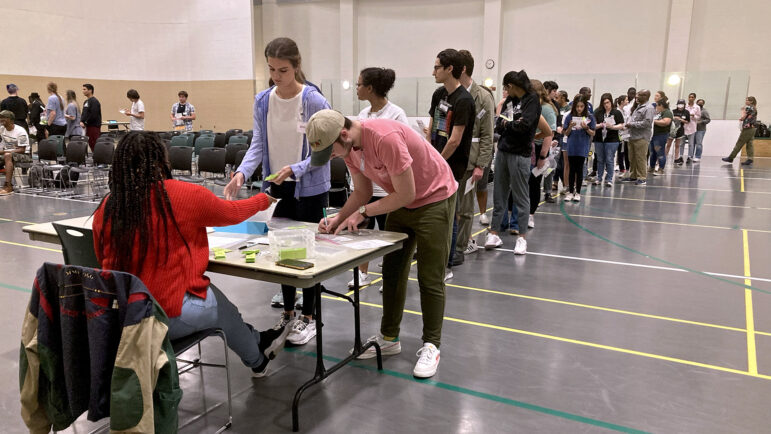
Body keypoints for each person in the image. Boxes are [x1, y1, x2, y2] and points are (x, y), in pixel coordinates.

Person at [92, 132, 289, 377]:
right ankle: (258, 358)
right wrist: (262, 200)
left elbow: (100, 259)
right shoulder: (182, 194)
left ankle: (258, 343)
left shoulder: (108, 206)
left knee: (216, 303)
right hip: (164, 313)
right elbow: (232, 212)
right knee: (220, 307)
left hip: (119, 315)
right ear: (161, 161)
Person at [307, 110, 457, 379]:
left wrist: (363, 212)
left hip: (434, 198)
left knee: (430, 275)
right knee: (392, 270)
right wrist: (337, 218)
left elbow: (407, 193)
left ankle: (431, 344)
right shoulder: (350, 147)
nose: (331, 157)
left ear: (344, 134)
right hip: (401, 200)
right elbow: (362, 192)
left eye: (331, 152)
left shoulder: (384, 138)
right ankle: (390, 337)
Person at [223, 37, 330, 346]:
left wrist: (295, 169)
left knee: (308, 252)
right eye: (271, 69)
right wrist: (242, 173)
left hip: (309, 188)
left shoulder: (314, 101)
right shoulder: (263, 100)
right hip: (277, 185)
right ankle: (288, 311)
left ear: (296, 67)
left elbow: (324, 152)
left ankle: (308, 318)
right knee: (283, 249)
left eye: (283, 70)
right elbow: (258, 142)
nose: (276, 76)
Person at [350, 66, 409, 287]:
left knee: (388, 235)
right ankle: (362, 273)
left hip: (388, 189)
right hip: (367, 186)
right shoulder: (362, 116)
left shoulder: (396, 114)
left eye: (358, 84)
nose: (356, 88)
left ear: (370, 88)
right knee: (361, 232)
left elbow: (401, 153)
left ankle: (389, 277)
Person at [426, 48, 474, 276]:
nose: (433, 71)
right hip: (434, 160)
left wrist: (437, 161)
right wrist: (428, 152)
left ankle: (447, 262)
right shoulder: (439, 95)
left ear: (449, 69)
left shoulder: (464, 100)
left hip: (451, 165)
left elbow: (455, 140)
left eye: (437, 67)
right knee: (431, 210)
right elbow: (432, 125)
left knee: (449, 212)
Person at [484, 70, 541, 255]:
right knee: (499, 194)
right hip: (503, 151)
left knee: (521, 197)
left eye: (506, 87)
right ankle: (494, 232)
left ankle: (522, 238)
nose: (505, 91)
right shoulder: (510, 101)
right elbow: (500, 122)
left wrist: (509, 124)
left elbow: (525, 126)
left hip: (520, 154)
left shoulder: (531, 100)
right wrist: (510, 124)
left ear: (512, 86)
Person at [456, 50, 494, 256]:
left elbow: (487, 134)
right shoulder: (449, 94)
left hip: (471, 161)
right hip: (451, 160)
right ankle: (452, 243)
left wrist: (481, 164)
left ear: (462, 69)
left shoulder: (483, 97)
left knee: (465, 209)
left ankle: (461, 246)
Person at [527, 79, 556, 228]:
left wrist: (542, 157)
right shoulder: (531, 106)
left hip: (539, 150)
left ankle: (531, 214)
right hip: (528, 148)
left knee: (534, 183)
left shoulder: (546, 109)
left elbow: (548, 134)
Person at [562, 95, 596, 201]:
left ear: (585, 106)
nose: (579, 109)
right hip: (572, 146)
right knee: (572, 169)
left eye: (581, 106)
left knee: (579, 169)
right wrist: (570, 127)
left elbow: (593, 133)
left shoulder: (590, 117)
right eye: (577, 106)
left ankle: (578, 192)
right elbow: (566, 133)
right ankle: (570, 191)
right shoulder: (569, 116)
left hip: (583, 146)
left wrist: (586, 128)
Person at [623, 89, 655, 185]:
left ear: (645, 96)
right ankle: (633, 176)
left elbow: (647, 123)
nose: (636, 97)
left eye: (639, 95)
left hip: (641, 137)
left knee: (640, 158)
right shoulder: (639, 107)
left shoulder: (649, 108)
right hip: (633, 136)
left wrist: (632, 124)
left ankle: (642, 177)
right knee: (632, 158)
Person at [592, 93, 624, 186]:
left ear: (611, 102)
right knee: (600, 159)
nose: (606, 104)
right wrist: (601, 125)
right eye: (604, 103)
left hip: (612, 139)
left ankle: (609, 179)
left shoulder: (616, 112)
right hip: (599, 138)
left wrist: (612, 127)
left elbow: (621, 125)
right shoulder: (597, 112)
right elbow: (593, 125)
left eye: (608, 102)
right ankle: (599, 178)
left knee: (609, 159)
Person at [0, 110, 31, 195]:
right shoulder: (2, 129)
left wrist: (4, 151)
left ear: (10, 120)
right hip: (8, 153)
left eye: (3, 118)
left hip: (24, 155)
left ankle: (8, 186)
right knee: (7, 155)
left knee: (7, 155)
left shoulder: (20, 131)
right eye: (0, 118)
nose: (1, 119)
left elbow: (22, 150)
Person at [723, 97, 758, 166]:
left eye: (747, 100)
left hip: (748, 128)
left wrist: (743, 111)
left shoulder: (749, 108)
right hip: (753, 128)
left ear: (751, 101)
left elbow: (744, 117)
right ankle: (750, 159)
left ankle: (731, 157)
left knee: (740, 142)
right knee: (749, 143)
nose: (746, 101)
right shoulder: (754, 108)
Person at [649, 98, 673, 176]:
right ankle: (651, 167)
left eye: (657, 106)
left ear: (661, 105)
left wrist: (653, 121)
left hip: (661, 135)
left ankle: (661, 169)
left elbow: (666, 122)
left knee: (660, 152)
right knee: (652, 152)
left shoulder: (667, 112)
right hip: (653, 135)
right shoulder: (658, 113)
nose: (656, 107)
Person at [80, 84, 101, 150]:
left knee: (94, 142)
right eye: (82, 89)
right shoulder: (86, 101)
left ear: (90, 90)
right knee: (90, 142)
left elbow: (93, 115)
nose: (83, 91)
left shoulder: (94, 101)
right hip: (87, 126)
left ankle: (98, 157)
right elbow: (84, 113)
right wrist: (81, 121)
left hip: (93, 126)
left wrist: (85, 123)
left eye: (84, 89)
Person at [671, 99, 690, 166]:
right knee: (668, 145)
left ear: (684, 105)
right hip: (672, 130)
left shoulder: (686, 112)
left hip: (680, 129)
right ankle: (664, 158)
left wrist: (681, 119)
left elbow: (687, 121)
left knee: (677, 145)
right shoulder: (673, 111)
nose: (680, 106)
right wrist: (674, 118)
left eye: (682, 104)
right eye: (679, 104)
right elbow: (669, 119)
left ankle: (676, 159)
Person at [683, 92, 701, 164]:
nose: (690, 98)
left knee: (691, 143)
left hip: (692, 126)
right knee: (681, 143)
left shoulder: (697, 107)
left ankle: (690, 157)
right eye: (689, 97)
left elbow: (698, 117)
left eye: (692, 97)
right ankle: (680, 156)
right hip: (684, 126)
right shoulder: (684, 106)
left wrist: (694, 116)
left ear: (694, 98)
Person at [616, 95, 631, 176]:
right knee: (620, 152)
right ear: (622, 101)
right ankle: (622, 168)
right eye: (626, 100)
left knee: (624, 152)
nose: (628, 101)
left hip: (625, 135)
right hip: (619, 134)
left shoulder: (624, 111)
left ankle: (626, 168)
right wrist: (623, 127)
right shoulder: (617, 111)